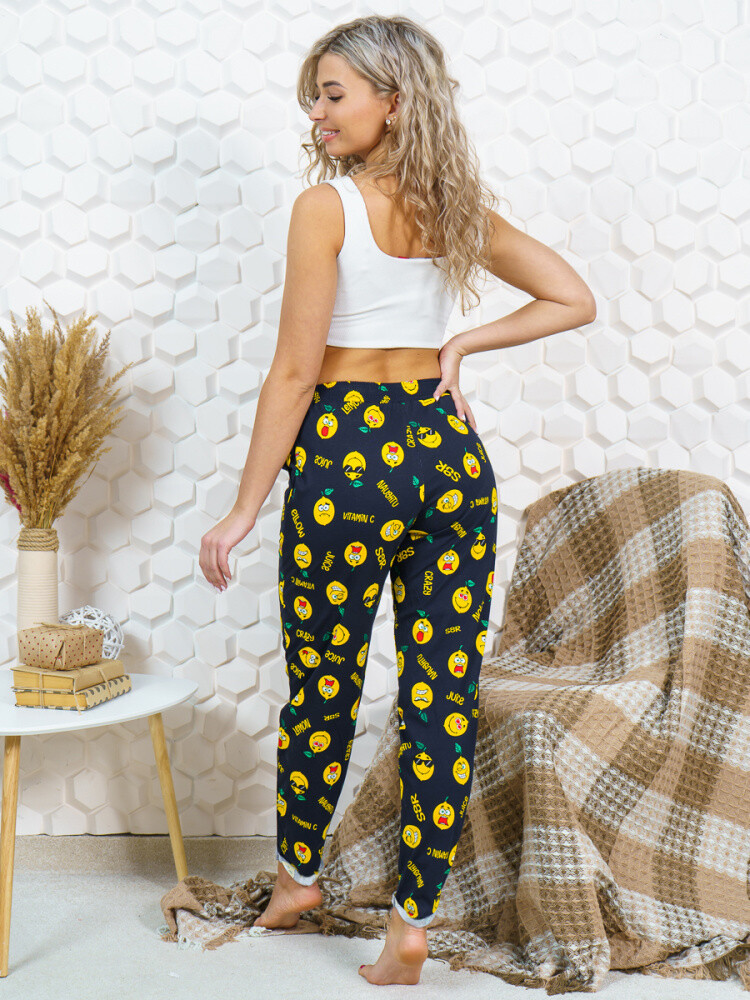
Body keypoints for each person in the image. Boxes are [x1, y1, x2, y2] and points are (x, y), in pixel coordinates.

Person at [199, 13, 596, 987]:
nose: (318, 112)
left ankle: (298, 879)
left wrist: (243, 508)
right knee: (440, 695)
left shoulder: (325, 207)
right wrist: (459, 348)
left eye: (334, 94)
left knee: (323, 685)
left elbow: (295, 372)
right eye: (315, 96)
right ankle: (411, 925)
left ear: (394, 99)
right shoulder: (451, 207)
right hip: (448, 457)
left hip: (348, 460)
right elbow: (572, 296)